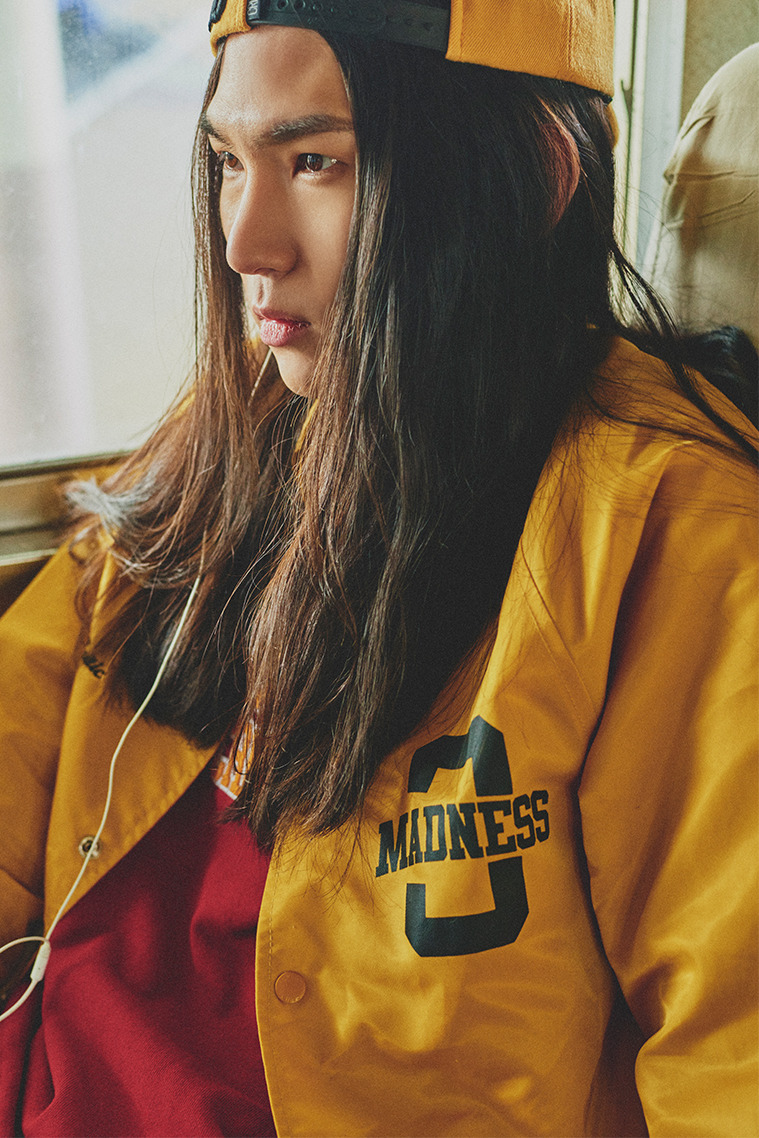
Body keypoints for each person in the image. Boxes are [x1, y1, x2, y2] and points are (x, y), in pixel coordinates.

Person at [0, 1, 757, 1134]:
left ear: (540, 174)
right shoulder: (218, 454)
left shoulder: (668, 526)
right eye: (224, 161)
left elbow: (730, 1054)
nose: (245, 243)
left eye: (317, 163)